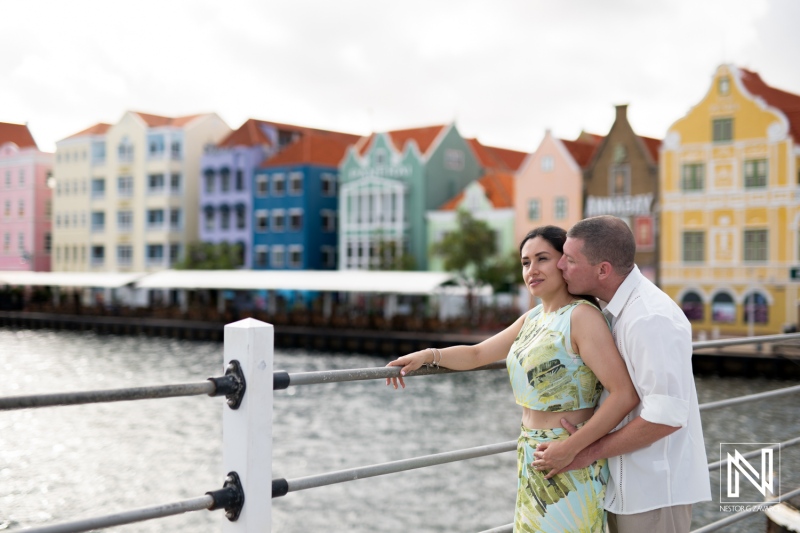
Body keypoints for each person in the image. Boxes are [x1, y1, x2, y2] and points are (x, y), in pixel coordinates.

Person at [386, 226, 639, 532]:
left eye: (542, 258)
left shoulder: (581, 317)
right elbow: (478, 354)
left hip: (569, 457)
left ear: (564, 262)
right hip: (532, 454)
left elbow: (624, 393)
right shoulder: (533, 317)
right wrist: (428, 355)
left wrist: (574, 447)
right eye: (525, 262)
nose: (532, 269)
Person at [533, 215, 711, 533]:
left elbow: (666, 417)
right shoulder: (616, 310)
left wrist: (584, 452)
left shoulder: (649, 318)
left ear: (603, 269)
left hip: (655, 492)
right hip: (627, 487)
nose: (560, 266)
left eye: (570, 260)